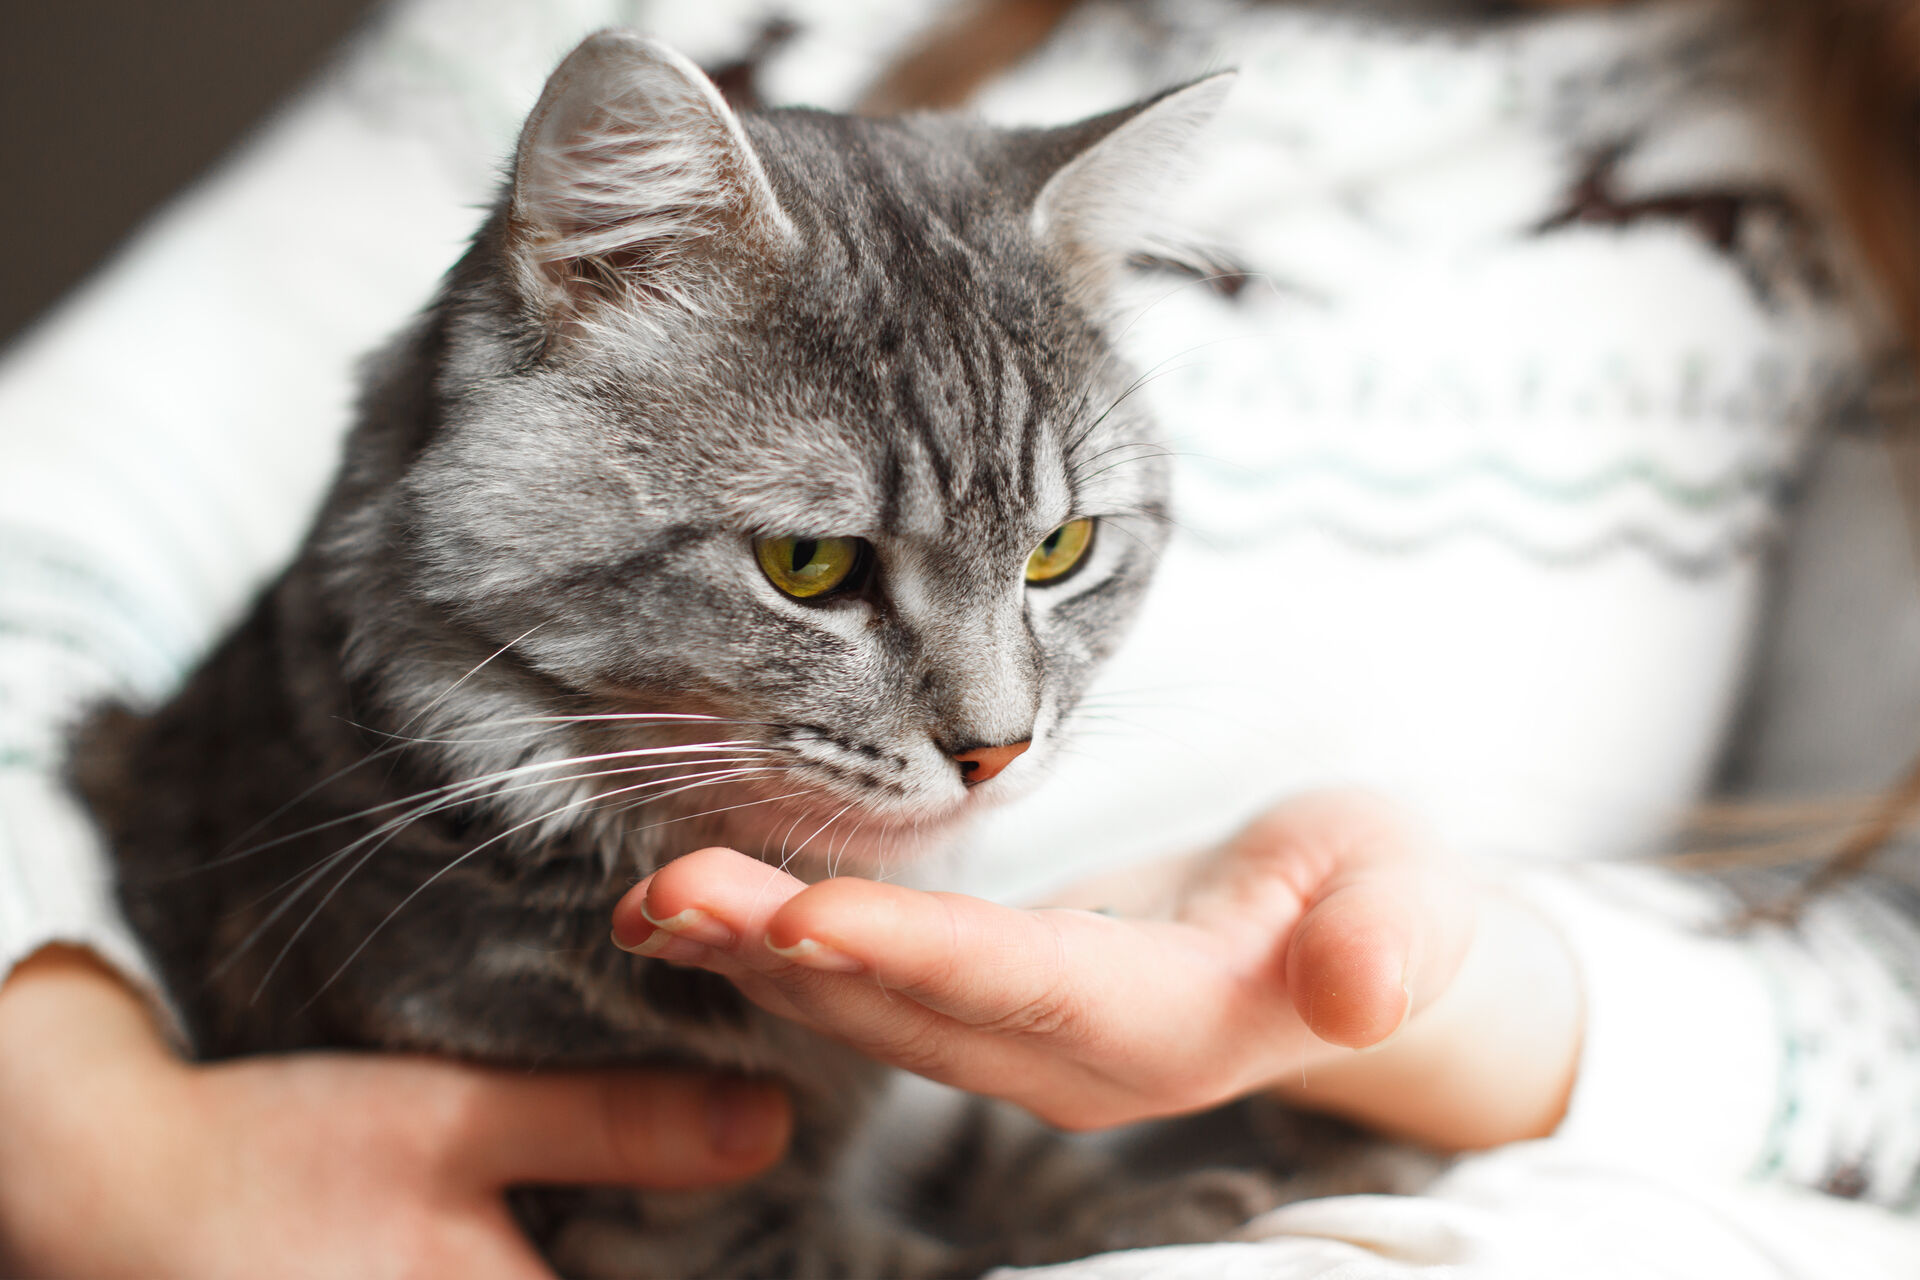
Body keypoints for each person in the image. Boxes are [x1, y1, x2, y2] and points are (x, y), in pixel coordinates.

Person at [4, 1, 1920, 1277]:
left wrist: (1477, 1005)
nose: (996, 725)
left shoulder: (1846, 123)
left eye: (1066, 550)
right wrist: (72, 1140)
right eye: (824, 570)